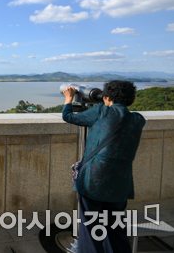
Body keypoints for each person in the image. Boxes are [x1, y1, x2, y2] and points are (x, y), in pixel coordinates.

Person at [62, 80, 146, 253]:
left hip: (93, 182)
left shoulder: (101, 111)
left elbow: (68, 116)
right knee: (115, 229)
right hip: (120, 185)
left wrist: (68, 99)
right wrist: (105, 99)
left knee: (91, 229)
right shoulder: (138, 120)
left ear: (106, 97)